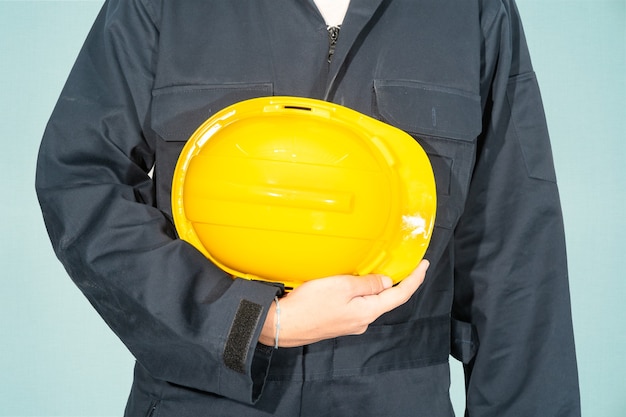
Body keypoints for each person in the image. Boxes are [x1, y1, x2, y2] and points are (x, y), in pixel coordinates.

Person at [35, 0, 581, 416]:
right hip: (204, 397)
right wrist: (253, 322)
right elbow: (81, 180)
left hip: (395, 396)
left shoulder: (474, 10)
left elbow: (515, 254)